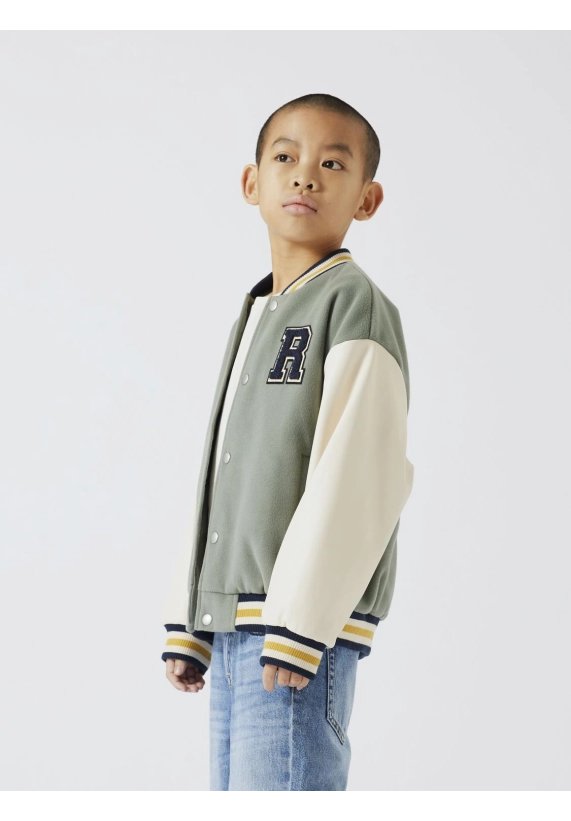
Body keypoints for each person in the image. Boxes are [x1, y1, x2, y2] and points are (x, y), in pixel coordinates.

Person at [160, 92, 415, 791]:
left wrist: (303, 623)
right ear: (252, 182)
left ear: (366, 198)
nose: (305, 174)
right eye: (285, 157)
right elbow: (225, 469)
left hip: (297, 636)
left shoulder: (352, 305)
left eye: (332, 163)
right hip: (238, 627)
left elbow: (359, 472)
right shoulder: (258, 311)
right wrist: (192, 616)